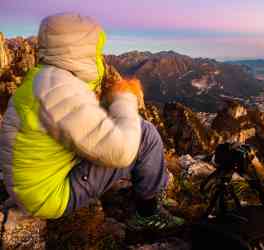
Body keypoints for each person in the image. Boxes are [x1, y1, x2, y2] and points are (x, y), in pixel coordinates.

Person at [0, 12, 184, 231]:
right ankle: (148, 212)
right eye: (96, 49)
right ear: (81, 48)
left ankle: (149, 191)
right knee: (144, 134)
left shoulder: (45, 78)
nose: (100, 55)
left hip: (34, 183)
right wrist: (125, 97)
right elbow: (122, 151)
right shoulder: (58, 88)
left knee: (125, 127)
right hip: (49, 195)